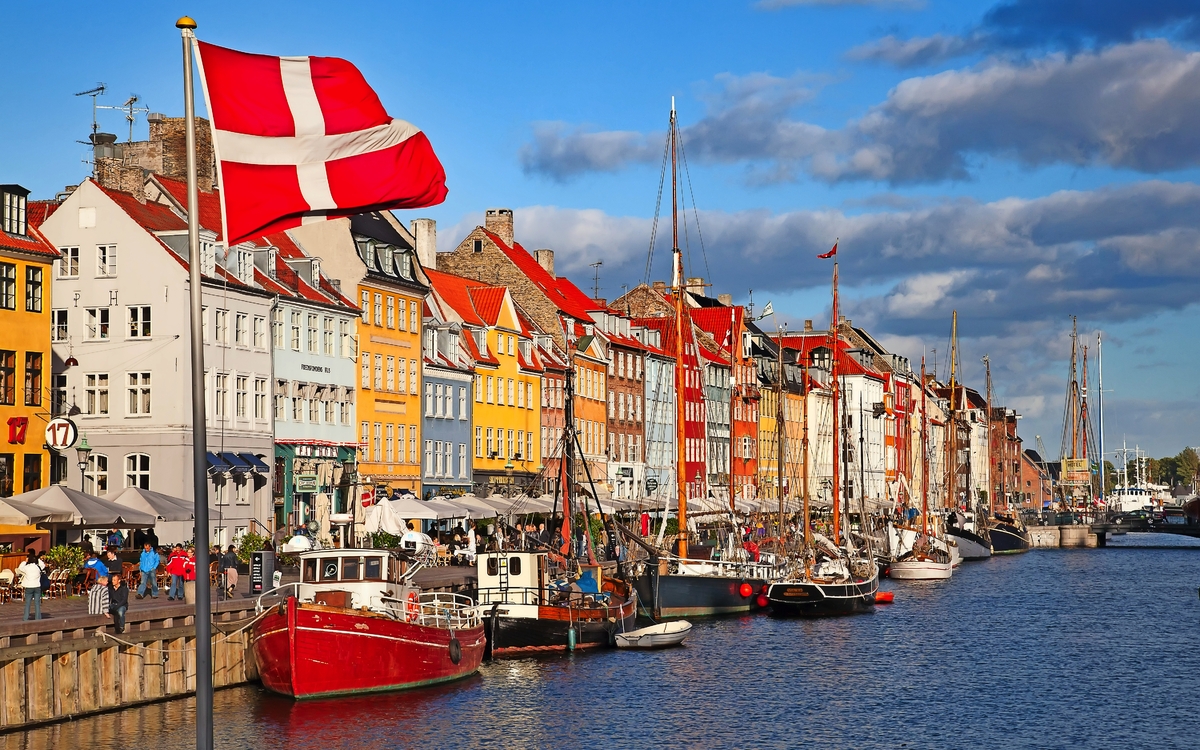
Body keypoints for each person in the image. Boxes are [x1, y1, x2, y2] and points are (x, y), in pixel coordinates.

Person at [17, 551, 43, 621]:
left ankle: (25, 618)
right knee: (37, 603)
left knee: (27, 603)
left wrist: (25, 561)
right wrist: (38, 558)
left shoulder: (26, 568)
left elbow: (20, 568)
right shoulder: (38, 567)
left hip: (29, 586)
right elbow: (43, 565)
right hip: (37, 586)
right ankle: (38, 618)